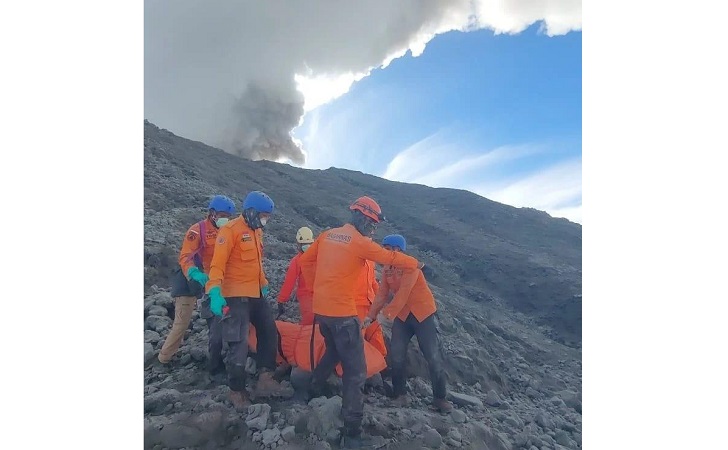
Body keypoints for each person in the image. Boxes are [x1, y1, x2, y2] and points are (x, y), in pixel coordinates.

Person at [298, 196, 425, 448]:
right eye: (373, 223)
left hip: (322, 311)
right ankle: (352, 433)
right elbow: (390, 258)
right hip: (344, 316)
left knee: (333, 352)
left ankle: (311, 390)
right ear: (364, 218)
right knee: (355, 373)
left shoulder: (326, 235)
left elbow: (305, 261)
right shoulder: (359, 243)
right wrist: (416, 264)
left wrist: (317, 286)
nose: (374, 228)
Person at [205, 190, 290, 409]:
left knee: (269, 331)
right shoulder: (229, 230)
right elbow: (218, 264)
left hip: (255, 293)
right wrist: (214, 290)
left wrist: (263, 282)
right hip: (234, 295)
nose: (265, 221)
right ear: (251, 212)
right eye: (263, 216)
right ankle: (236, 390)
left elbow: (257, 262)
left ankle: (265, 378)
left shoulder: (257, 231)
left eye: (267, 217)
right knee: (238, 342)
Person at [364, 234, 453, 413]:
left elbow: (404, 294)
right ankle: (400, 395)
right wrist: (370, 316)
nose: (385, 252)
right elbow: (382, 295)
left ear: (398, 250)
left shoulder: (411, 265)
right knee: (396, 354)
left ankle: (440, 398)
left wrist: (386, 315)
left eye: (388, 248)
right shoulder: (387, 269)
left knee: (432, 355)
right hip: (403, 317)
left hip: (423, 314)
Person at [158, 195, 236, 368]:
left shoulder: (226, 231)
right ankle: (164, 358)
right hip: (189, 280)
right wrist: (193, 272)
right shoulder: (197, 230)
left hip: (211, 280)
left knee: (218, 315)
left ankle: (217, 351)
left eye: (227, 216)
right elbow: (185, 256)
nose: (225, 219)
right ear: (212, 213)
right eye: (222, 214)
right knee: (182, 322)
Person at [277, 226, 316, 325]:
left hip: (310, 296)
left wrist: (281, 301)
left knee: (310, 322)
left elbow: (289, 283)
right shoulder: (319, 256)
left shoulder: (297, 260)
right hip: (318, 295)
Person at [355, 260, 387, 358]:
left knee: (375, 333)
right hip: (356, 306)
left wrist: (380, 301)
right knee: (356, 337)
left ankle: (380, 361)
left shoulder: (370, 261)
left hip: (371, 305)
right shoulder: (351, 259)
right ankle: (349, 369)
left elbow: (373, 282)